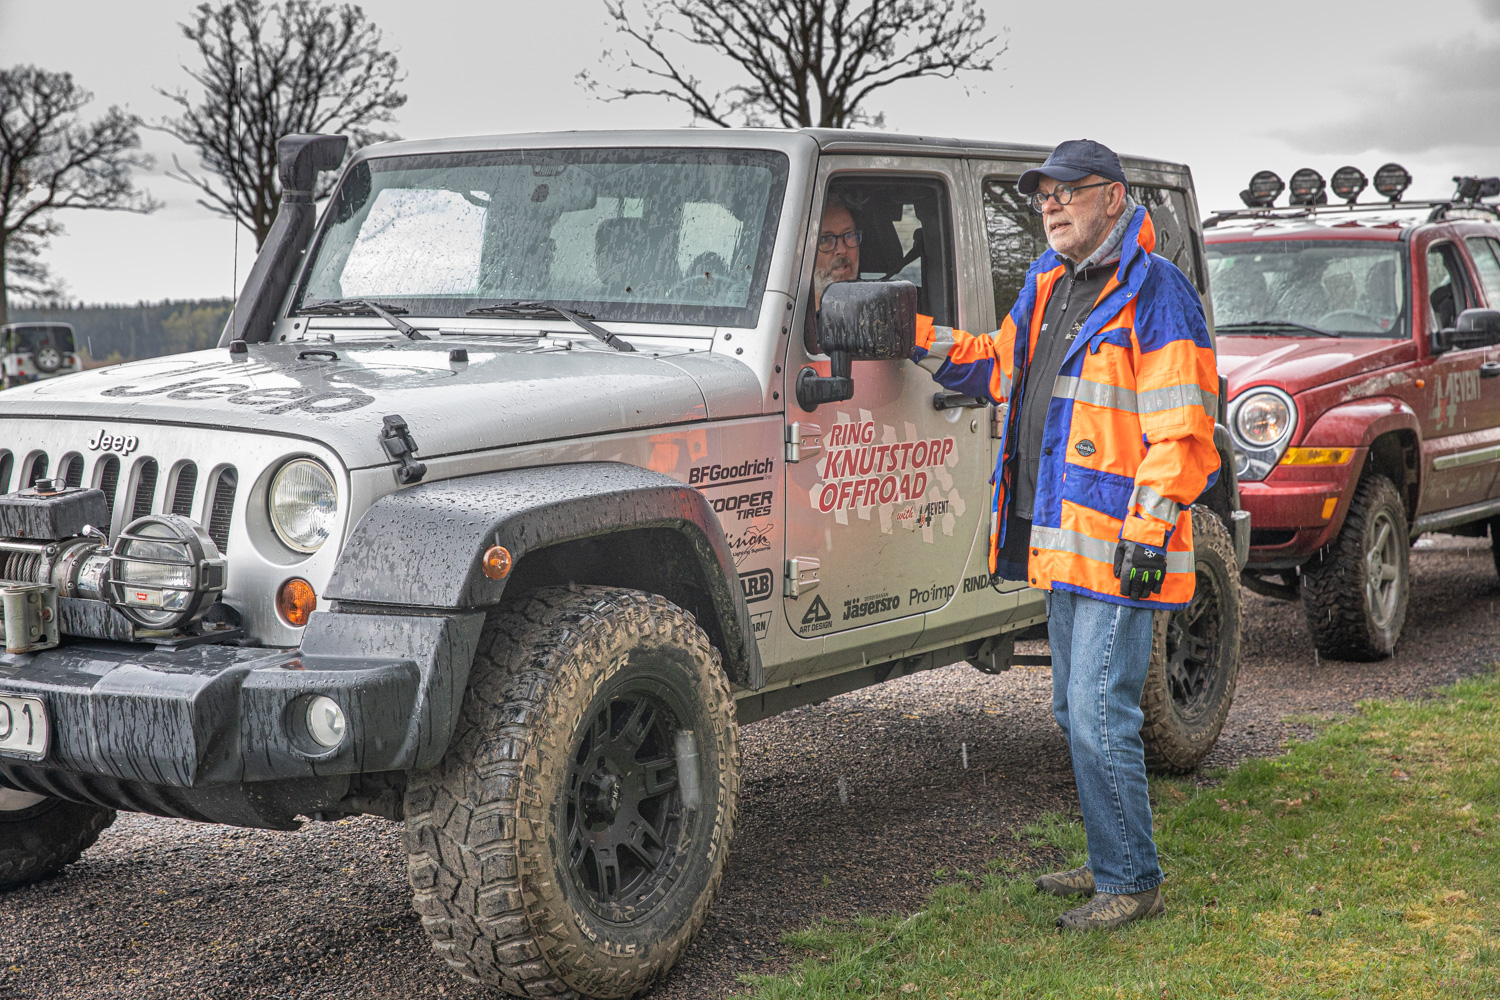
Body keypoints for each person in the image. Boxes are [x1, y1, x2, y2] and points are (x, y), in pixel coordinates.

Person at [908, 139, 1220, 930]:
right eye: (1041, 195)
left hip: (1122, 546)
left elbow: (1183, 432)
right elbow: (995, 366)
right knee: (1071, 710)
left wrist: (1147, 536)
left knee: (1098, 712)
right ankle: (1112, 857)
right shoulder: (1051, 284)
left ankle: (1133, 882)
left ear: (1112, 199)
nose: (1049, 205)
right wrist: (908, 334)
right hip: (1068, 539)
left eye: (1066, 192)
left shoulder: (1156, 292)